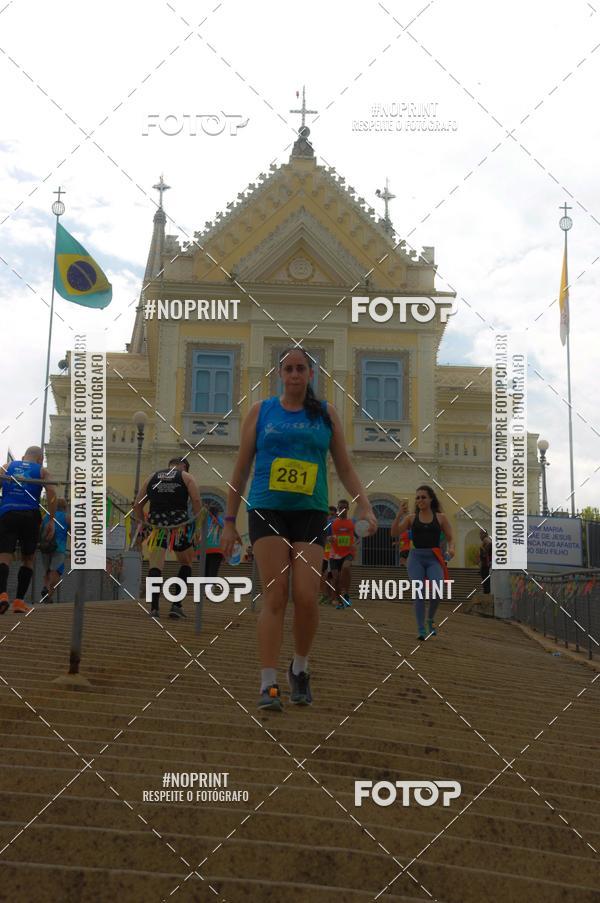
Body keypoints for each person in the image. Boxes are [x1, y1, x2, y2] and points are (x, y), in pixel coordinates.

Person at [220, 347, 377, 711]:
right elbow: (240, 469)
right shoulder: (261, 412)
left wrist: (364, 503)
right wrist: (229, 522)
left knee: (307, 598)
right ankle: (269, 683)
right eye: (288, 368)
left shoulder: (326, 415)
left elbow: (344, 467)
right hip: (266, 508)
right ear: (279, 373)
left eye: (300, 368)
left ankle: (300, 668)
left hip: (309, 512)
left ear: (311, 374)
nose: (294, 374)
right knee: (275, 596)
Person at [134, 457, 202, 619]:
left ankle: (154, 608)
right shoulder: (187, 477)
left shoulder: (152, 477)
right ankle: (176, 605)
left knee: (155, 565)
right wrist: (198, 526)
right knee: (186, 562)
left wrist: (142, 525)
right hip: (179, 524)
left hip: (157, 524)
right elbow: (197, 500)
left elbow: (137, 504)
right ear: (184, 466)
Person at [391, 485, 455, 641]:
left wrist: (451, 550)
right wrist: (399, 514)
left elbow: (450, 537)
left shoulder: (441, 517)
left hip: (434, 557)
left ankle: (430, 619)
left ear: (431, 499)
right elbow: (394, 533)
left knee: (437, 589)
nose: (420, 500)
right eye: (417, 497)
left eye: (423, 497)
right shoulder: (410, 518)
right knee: (418, 593)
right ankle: (421, 629)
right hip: (416, 558)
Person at [0, 446, 56, 614]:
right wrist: (51, 520)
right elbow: (52, 491)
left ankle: (2, 595)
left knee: (4, 557)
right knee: (28, 559)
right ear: (40, 459)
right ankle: (18, 602)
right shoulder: (41, 470)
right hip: (30, 516)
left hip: (8, 513)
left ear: (24, 456)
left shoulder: (7, 467)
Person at [40, 498, 70, 603]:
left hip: (45, 547)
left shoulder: (46, 516)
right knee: (55, 571)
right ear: (65, 508)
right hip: (59, 548)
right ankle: (48, 591)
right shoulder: (67, 517)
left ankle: (46, 590)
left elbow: (41, 531)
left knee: (47, 571)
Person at [329, 499, 357, 609]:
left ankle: (346, 592)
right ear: (338, 509)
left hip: (348, 552)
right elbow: (324, 536)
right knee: (336, 579)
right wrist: (329, 538)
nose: (342, 510)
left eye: (345, 508)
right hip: (334, 554)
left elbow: (359, 535)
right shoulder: (331, 523)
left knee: (346, 568)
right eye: (340, 508)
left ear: (348, 509)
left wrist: (355, 544)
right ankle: (339, 600)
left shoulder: (353, 522)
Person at [319, 505, 337, 605]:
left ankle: (331, 596)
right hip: (324, 554)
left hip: (333, 554)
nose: (330, 516)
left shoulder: (335, 524)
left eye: (332, 514)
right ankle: (325, 595)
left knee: (330, 576)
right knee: (323, 575)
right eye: (328, 515)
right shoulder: (323, 524)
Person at [204, 506, 224, 579]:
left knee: (205, 572)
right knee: (213, 572)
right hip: (217, 550)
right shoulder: (220, 520)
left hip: (205, 549)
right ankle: (209, 588)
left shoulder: (204, 520)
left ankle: (205, 588)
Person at [479, 529, 492, 594]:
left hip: (486, 566)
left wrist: (484, 551)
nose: (480, 536)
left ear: (484, 534)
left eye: (480, 534)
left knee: (486, 583)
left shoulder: (486, 539)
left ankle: (487, 595)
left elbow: (489, 543)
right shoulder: (487, 539)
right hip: (486, 565)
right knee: (486, 582)